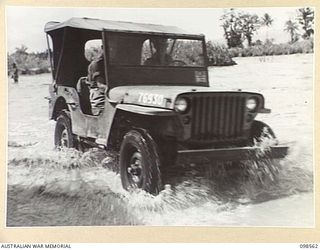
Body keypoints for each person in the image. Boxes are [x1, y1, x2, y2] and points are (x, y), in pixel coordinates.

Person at [87, 51, 107, 116]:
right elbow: (100, 84)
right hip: (99, 93)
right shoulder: (97, 64)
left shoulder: (111, 63)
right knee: (100, 114)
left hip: (106, 92)